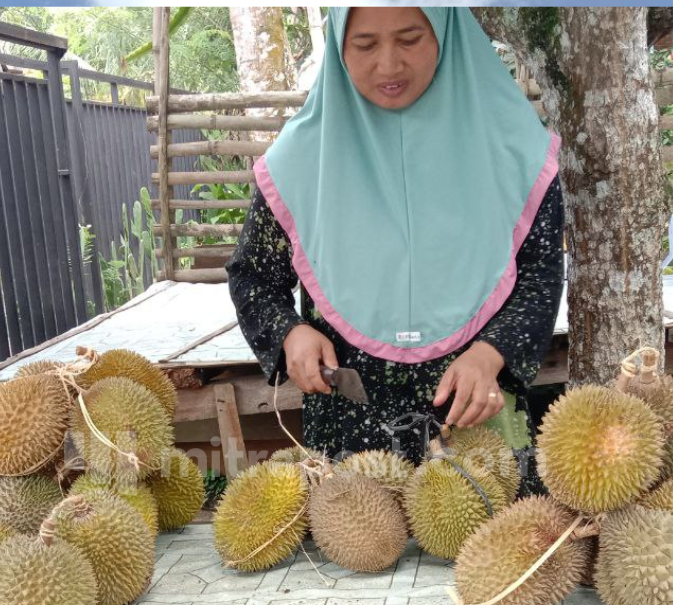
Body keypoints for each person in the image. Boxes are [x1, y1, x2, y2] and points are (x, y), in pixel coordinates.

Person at [227, 6, 564, 466]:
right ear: (339, 45)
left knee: (492, 538)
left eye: (409, 39)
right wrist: (290, 333)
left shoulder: (516, 149)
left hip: (478, 426)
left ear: (447, 33)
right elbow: (253, 277)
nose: (388, 65)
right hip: (350, 430)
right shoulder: (300, 160)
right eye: (365, 44)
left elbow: (541, 276)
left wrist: (492, 352)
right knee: (358, 538)